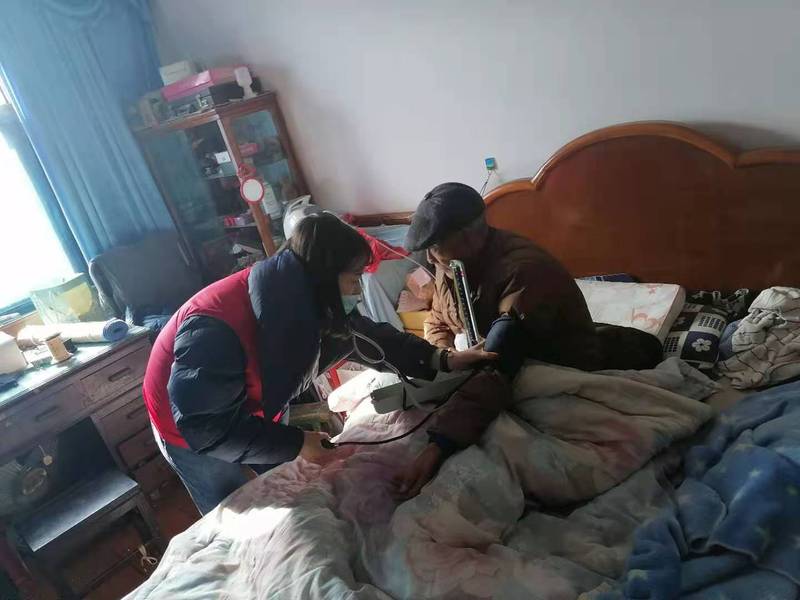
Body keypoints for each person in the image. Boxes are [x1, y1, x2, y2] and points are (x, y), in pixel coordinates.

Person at [143, 212, 494, 514]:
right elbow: (206, 427)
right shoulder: (215, 331)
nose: (358, 291)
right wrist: (295, 443)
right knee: (231, 510)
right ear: (324, 276)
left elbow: (373, 339)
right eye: (354, 279)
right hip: (189, 424)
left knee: (283, 486)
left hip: (248, 404)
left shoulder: (310, 301)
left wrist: (442, 359)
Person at [393, 182, 662, 499]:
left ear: (469, 236)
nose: (429, 256)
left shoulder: (524, 272)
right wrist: (447, 358)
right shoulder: (451, 264)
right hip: (501, 357)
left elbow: (497, 365)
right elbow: (438, 319)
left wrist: (437, 446)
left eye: (436, 246)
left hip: (549, 362)